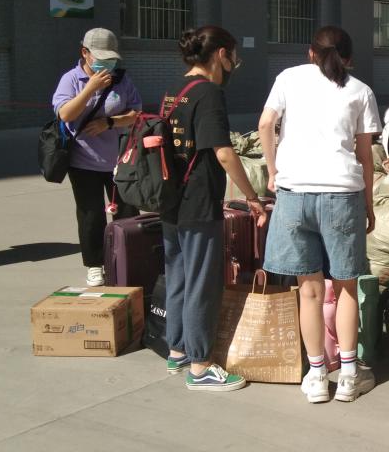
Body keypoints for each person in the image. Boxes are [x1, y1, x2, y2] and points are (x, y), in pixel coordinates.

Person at [258, 26, 380, 403]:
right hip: (342, 194)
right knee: (346, 288)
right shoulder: (360, 91)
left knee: (308, 290)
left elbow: (265, 124)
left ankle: (315, 376)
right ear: (349, 57)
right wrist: (368, 203)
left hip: (294, 194)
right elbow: (365, 155)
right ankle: (348, 375)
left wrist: (273, 171)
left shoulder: (288, 78)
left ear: (311, 52)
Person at [162, 26, 268, 391]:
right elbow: (223, 152)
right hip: (198, 200)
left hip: (170, 199)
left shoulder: (174, 89)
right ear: (221, 54)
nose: (235, 64)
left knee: (178, 276)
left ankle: (177, 350)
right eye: (233, 56)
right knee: (202, 282)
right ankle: (201, 366)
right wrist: (252, 197)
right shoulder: (209, 93)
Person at [52, 28, 143, 286]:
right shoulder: (71, 79)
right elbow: (65, 114)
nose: (108, 64)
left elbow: (136, 114)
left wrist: (110, 122)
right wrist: (90, 88)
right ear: (85, 53)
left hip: (120, 160)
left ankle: (130, 259)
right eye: (102, 58)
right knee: (91, 216)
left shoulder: (121, 80)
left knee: (127, 212)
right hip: (84, 161)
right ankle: (94, 264)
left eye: (112, 58)